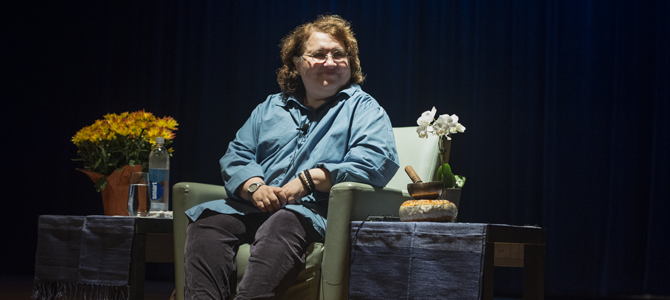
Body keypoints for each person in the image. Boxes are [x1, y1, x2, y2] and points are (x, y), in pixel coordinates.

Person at [183, 14, 399, 300]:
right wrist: (254, 187)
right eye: (319, 54)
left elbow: (375, 160)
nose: (330, 62)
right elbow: (237, 153)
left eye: (339, 54)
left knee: (284, 221)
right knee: (209, 222)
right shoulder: (271, 107)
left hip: (316, 213)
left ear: (351, 62)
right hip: (257, 208)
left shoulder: (364, 108)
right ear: (297, 63)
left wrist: (310, 180)